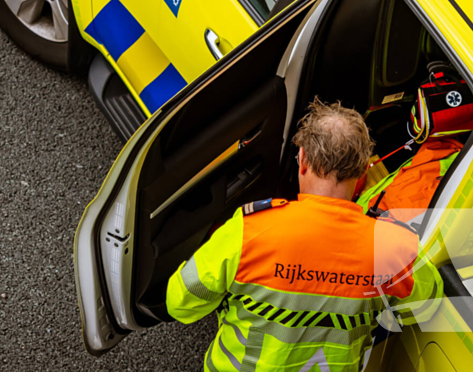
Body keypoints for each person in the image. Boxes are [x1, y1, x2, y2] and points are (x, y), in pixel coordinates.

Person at [167, 99, 443, 372]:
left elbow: (180, 303)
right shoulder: (392, 248)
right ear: (361, 170)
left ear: (303, 161)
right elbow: (426, 305)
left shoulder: (250, 230)